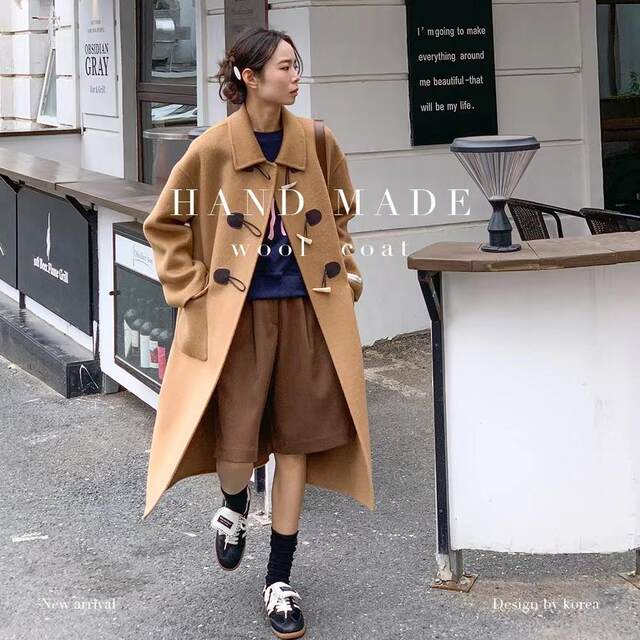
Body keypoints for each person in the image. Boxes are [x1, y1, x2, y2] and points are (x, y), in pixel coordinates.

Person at [143, 25, 373, 640]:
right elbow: (164, 223)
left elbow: (342, 213)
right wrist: (192, 288)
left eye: (297, 65)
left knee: (295, 444)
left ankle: (279, 579)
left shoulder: (317, 141)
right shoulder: (213, 148)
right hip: (237, 319)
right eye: (285, 67)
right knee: (236, 447)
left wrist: (346, 271)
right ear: (250, 77)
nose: (296, 76)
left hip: (306, 313)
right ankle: (235, 502)